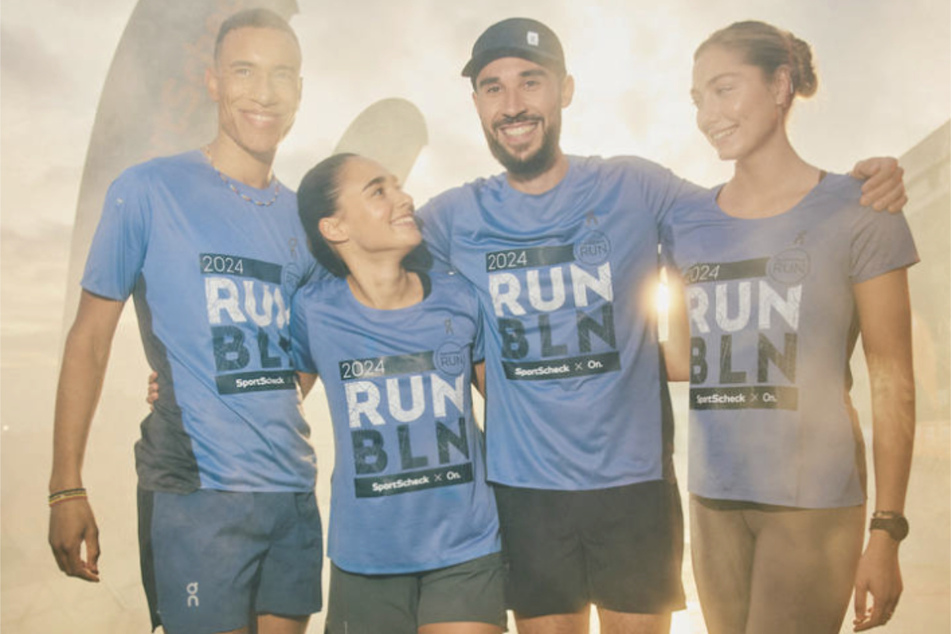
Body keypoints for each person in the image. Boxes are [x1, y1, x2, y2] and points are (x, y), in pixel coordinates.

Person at [416, 17, 908, 634]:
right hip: (524, 492)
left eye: (530, 83)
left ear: (565, 89)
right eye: (493, 88)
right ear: (477, 103)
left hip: (637, 485)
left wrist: (859, 185)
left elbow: (747, 211)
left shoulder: (636, 186)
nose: (513, 104)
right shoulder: (450, 217)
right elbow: (377, 268)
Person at [47, 9, 323, 634]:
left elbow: (302, 355)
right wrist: (66, 486)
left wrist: (242, 389)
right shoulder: (147, 190)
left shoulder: (306, 221)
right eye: (244, 71)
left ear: (301, 91)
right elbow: (89, 341)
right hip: (194, 496)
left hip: (292, 496)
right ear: (213, 82)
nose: (264, 91)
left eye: (283, 74)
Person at [660, 20, 917, 634]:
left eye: (724, 89)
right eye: (698, 98)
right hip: (714, 498)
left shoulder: (861, 209)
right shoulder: (685, 220)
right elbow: (678, 359)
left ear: (780, 85)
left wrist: (887, 531)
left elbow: (893, 382)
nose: (708, 114)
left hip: (814, 500)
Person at [291, 153, 505, 634]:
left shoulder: (461, 298)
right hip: (365, 557)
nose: (404, 198)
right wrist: (174, 389)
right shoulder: (313, 310)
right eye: (378, 190)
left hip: (467, 549)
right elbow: (275, 403)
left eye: (397, 186)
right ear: (335, 227)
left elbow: (513, 405)